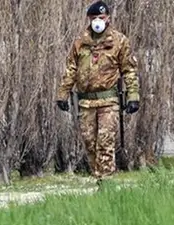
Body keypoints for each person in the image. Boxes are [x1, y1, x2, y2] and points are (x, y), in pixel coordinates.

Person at [55, 1, 140, 185]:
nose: (98, 22)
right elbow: (71, 69)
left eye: (101, 18)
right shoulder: (81, 42)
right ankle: (98, 177)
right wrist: (63, 93)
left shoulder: (119, 41)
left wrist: (133, 96)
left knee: (105, 142)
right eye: (94, 18)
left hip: (108, 101)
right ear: (89, 19)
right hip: (86, 103)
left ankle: (106, 182)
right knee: (89, 142)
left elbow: (129, 70)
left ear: (108, 18)